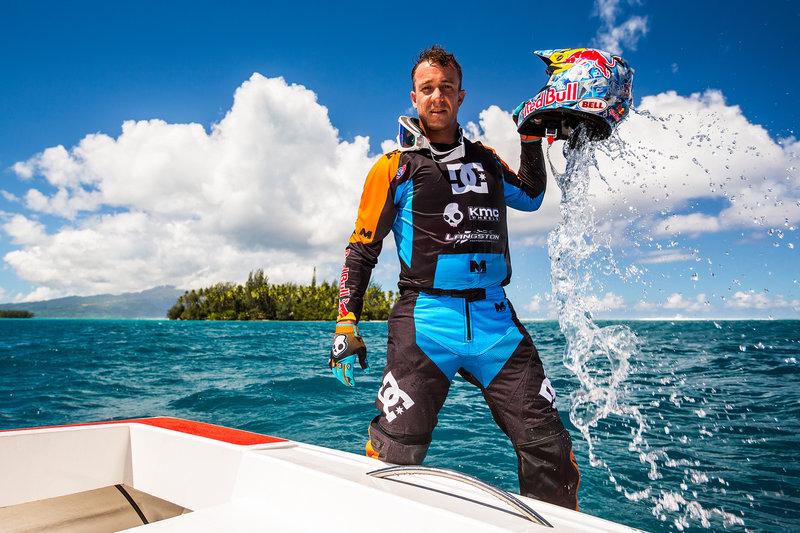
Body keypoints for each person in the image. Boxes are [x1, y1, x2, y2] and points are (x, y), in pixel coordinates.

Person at [328, 45, 580, 510]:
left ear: (461, 96)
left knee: (549, 447)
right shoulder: (393, 168)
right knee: (394, 455)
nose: (437, 97)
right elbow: (361, 249)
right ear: (414, 96)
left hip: (495, 323)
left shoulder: (486, 161)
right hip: (425, 323)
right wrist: (347, 323)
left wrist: (530, 138)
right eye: (428, 89)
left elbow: (529, 195)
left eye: (446, 88)